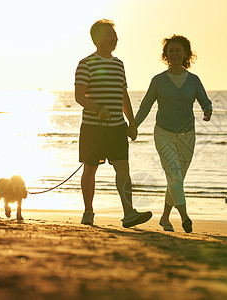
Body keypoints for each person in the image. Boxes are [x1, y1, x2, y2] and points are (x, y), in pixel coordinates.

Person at [74, 19, 152, 227]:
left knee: (123, 169)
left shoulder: (119, 64)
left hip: (117, 128)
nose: (114, 37)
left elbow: (123, 95)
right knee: (90, 170)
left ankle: (129, 213)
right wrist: (98, 109)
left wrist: (132, 123)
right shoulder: (86, 64)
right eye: (109, 34)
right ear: (97, 38)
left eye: (114, 34)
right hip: (93, 128)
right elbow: (79, 96)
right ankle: (88, 211)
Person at [134, 35, 212, 233]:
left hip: (188, 136)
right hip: (164, 134)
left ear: (186, 53)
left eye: (179, 50)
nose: (175, 54)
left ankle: (165, 218)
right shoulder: (158, 80)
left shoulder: (194, 80)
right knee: (175, 176)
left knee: (176, 178)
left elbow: (205, 100)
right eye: (171, 51)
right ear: (166, 55)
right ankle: (185, 217)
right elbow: (145, 106)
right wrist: (133, 125)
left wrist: (207, 109)